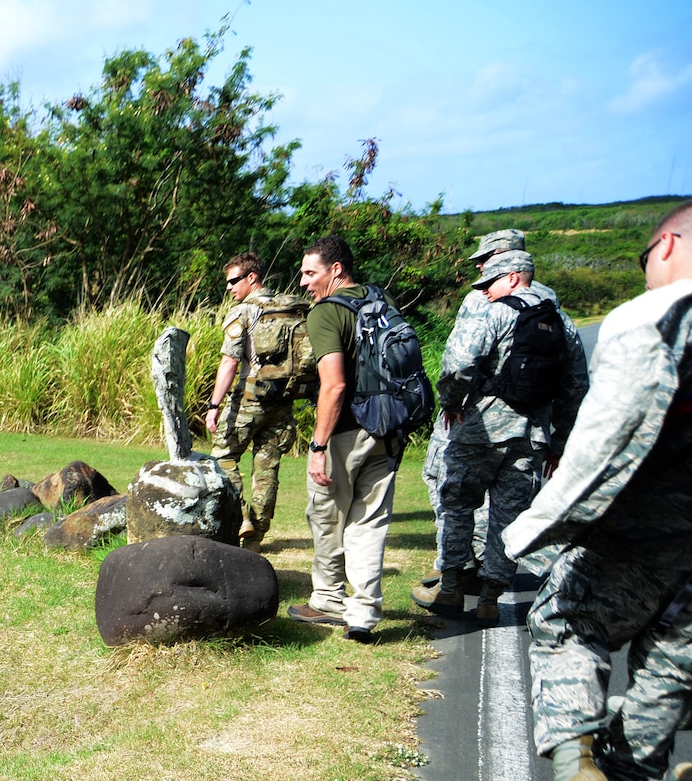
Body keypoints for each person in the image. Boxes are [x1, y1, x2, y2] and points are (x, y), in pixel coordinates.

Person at [512, 198, 692, 781]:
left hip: (642, 525)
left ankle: (576, 772)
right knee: (673, 665)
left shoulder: (657, 315)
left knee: (563, 617)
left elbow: (607, 431)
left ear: (668, 245)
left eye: (646, 259)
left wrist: (548, 518)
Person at [423, 249, 588, 620]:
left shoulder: (493, 313)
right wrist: (558, 444)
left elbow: (459, 362)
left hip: (477, 432)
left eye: (490, 282)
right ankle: (490, 600)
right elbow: (575, 388)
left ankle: (449, 589)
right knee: (506, 519)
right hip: (530, 439)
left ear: (513, 278)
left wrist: (451, 402)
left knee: (457, 506)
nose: (485, 291)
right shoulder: (564, 323)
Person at [286, 234, 405, 643]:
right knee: (369, 522)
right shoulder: (380, 301)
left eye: (310, 273)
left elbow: (334, 387)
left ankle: (329, 600)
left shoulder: (325, 314)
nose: (304, 282)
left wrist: (318, 446)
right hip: (387, 428)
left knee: (327, 517)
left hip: (345, 434)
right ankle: (364, 614)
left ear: (336, 270)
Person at [414, 228, 527, 606]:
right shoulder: (549, 305)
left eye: (487, 258)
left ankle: (454, 576)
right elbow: (573, 379)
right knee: (504, 510)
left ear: (509, 261)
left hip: (476, 422)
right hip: (529, 431)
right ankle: (489, 590)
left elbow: (458, 360)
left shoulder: (484, 301)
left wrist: (450, 402)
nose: (480, 266)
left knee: (452, 494)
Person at [204, 252, 311, 548]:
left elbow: (229, 363)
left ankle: (240, 518)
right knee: (267, 469)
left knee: (222, 456)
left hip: (248, 401)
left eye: (234, 281)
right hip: (284, 401)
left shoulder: (243, 312)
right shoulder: (293, 308)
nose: (229, 287)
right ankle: (255, 538)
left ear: (252, 278)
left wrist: (214, 406)